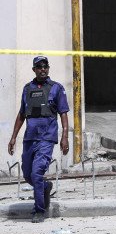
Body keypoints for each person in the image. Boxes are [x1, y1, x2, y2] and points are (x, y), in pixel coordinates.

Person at [7, 56, 70, 223]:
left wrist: (65, 137)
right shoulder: (28, 89)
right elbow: (21, 114)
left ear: (48, 68)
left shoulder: (56, 88)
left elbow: (63, 114)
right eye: (39, 66)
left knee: (37, 173)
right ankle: (45, 187)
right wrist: (13, 138)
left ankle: (39, 210)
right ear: (34, 69)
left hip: (47, 138)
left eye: (45, 66)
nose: (43, 69)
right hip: (30, 139)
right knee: (28, 175)